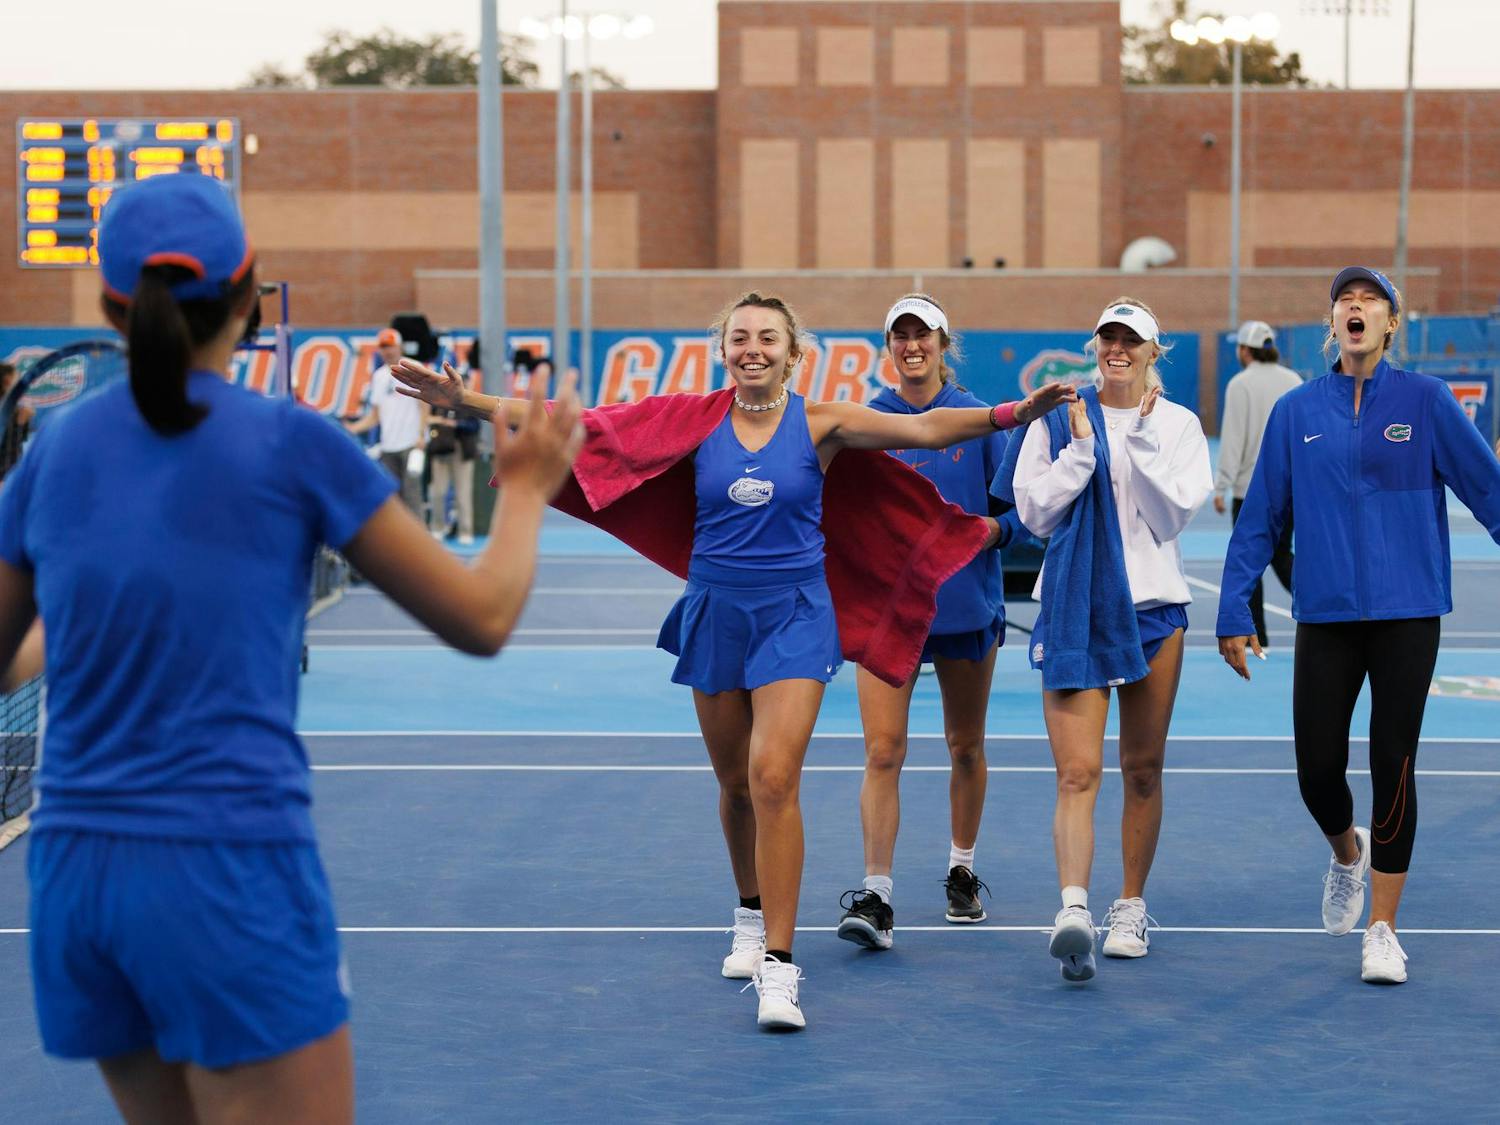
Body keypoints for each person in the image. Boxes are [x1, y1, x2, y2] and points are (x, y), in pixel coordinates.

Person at [0, 171, 582, 1123]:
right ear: (250, 298)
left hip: (74, 883)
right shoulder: (291, 443)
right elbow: (481, 616)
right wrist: (522, 490)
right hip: (224, 871)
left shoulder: (53, 451)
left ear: (111, 304)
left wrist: (86, 627)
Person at [389, 291, 1076, 1031]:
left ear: (792, 351)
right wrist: (465, 401)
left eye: (768, 338)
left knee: (773, 776)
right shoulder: (690, 419)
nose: (753, 348)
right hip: (715, 613)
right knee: (736, 786)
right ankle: (749, 913)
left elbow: (927, 424)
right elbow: (575, 429)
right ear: (724, 349)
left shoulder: (823, 422)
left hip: (797, 618)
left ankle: (780, 967)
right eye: (740, 337)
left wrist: (1014, 413)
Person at [1216, 266, 1500, 986]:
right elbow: (1261, 519)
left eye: (1371, 299)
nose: (1357, 306)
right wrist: (1231, 608)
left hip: (1409, 614)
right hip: (1327, 616)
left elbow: (1489, 491)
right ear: (1332, 322)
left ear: (1391, 323)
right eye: (1346, 298)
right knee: (1316, 770)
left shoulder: (1427, 402)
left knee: (1392, 765)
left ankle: (1383, 928)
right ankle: (1348, 855)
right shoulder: (1296, 412)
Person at [997, 297, 1212, 983]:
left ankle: (1130, 904)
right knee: (1076, 771)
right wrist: (1082, 450)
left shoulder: (1178, 425)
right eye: (1108, 337)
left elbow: (1170, 516)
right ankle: (1073, 910)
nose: (1117, 348)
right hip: (1075, 607)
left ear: (1154, 352)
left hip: (1153, 609)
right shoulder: (1058, 416)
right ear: (1095, 345)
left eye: (1132, 340)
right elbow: (1033, 510)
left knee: (1142, 768)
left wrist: (1139, 441)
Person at [834, 294, 1025, 952]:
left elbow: (1023, 513)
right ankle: (877, 894)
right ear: (889, 347)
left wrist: (991, 531)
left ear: (945, 342)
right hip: (887, 615)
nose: (911, 345)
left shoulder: (980, 418)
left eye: (923, 334)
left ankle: (962, 871)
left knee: (965, 746)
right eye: (900, 336)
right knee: (882, 750)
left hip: (967, 610)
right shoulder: (864, 421)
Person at [1213, 321, 1302, 648]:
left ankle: (1256, 637)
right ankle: (1319, 601)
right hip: (1289, 486)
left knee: (1248, 560)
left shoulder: (1240, 384)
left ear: (1244, 350)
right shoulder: (1293, 380)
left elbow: (1233, 438)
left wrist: (1222, 484)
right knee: (1282, 554)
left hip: (1248, 489)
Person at [345, 327, 428, 515]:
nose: (387, 351)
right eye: (383, 347)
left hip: (411, 442)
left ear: (399, 347)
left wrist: (421, 434)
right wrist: (353, 428)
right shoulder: (379, 376)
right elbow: (375, 416)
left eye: (390, 346)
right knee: (392, 497)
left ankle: (417, 540)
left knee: (412, 494)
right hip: (388, 445)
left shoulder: (414, 368)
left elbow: (425, 405)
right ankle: (398, 541)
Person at [426, 342, 480, 545]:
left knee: (463, 492)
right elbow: (428, 419)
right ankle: (437, 526)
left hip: (460, 448)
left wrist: (454, 424)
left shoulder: (469, 399)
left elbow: (474, 425)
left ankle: (466, 530)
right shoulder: (438, 399)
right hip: (440, 447)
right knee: (437, 491)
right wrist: (439, 422)